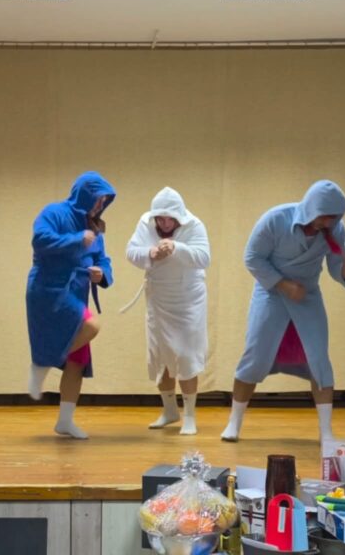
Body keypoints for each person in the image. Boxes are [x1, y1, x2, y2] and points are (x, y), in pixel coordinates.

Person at [220, 180, 345, 443]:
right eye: (324, 216)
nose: (328, 222)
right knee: (255, 354)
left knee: (319, 359)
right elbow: (252, 257)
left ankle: (326, 432)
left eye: (333, 217)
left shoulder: (335, 229)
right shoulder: (275, 219)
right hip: (271, 292)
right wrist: (283, 284)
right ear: (311, 209)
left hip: (307, 295)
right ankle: (233, 422)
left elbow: (335, 265)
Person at [26, 171, 115, 440]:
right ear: (84, 195)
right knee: (92, 325)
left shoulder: (95, 227)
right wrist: (77, 239)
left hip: (77, 292)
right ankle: (41, 364)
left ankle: (64, 421)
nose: (100, 204)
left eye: (104, 200)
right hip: (50, 290)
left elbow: (103, 259)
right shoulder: (54, 212)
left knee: (77, 361)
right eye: (97, 198)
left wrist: (102, 273)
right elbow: (40, 240)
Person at [124, 187, 210, 435]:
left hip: (188, 300)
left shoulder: (195, 225)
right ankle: (170, 410)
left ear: (179, 216)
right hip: (158, 299)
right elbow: (131, 252)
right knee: (160, 354)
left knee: (186, 355)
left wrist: (176, 248)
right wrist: (150, 253)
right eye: (160, 219)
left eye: (169, 219)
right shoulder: (145, 223)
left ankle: (190, 416)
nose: (164, 223)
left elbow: (204, 258)